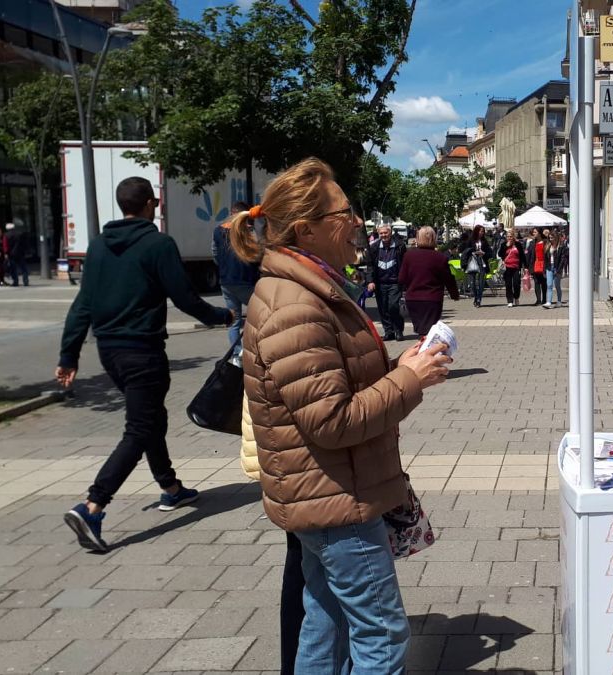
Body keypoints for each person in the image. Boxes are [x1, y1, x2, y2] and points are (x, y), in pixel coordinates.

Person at [230, 158, 452, 674]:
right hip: (336, 501)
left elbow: (334, 386)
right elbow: (331, 421)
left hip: (327, 493)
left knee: (326, 620)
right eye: (345, 211)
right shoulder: (296, 304)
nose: (357, 221)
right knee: (381, 632)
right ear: (307, 229)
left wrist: (404, 368)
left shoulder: (313, 288)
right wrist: (409, 380)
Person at [56, 177, 233, 553]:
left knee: (151, 419)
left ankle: (171, 488)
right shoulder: (158, 244)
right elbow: (185, 297)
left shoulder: (99, 247)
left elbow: (82, 305)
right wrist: (222, 316)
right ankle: (92, 506)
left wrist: (68, 355)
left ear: (121, 205)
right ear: (152, 204)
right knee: (140, 428)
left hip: (110, 352)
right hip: (143, 352)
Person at [212, 200, 261, 348]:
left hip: (226, 281)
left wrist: (224, 267)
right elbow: (258, 253)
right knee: (258, 316)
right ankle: (254, 350)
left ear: (231, 213)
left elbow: (214, 253)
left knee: (234, 321)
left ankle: (236, 354)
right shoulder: (249, 231)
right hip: (246, 280)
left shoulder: (218, 230)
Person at [399, 226, 459, 337]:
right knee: (430, 331)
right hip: (432, 299)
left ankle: (423, 350)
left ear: (418, 238)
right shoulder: (440, 258)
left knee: (421, 331)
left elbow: (402, 278)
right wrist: (454, 294)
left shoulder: (409, 256)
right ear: (433, 238)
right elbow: (448, 279)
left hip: (413, 299)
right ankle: (426, 351)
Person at [364, 224, 407, 340]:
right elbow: (370, 266)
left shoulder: (400, 246)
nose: (383, 235)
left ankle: (398, 330)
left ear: (390, 232)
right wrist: (370, 281)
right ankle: (389, 332)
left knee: (393, 306)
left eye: (385, 233)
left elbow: (404, 264)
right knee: (383, 308)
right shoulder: (374, 247)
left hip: (395, 282)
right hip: (380, 283)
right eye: (381, 233)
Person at [460, 225, 493, 307]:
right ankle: (475, 296)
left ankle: (479, 299)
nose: (482, 233)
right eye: (481, 231)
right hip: (472, 261)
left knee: (481, 282)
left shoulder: (484, 241)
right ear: (476, 231)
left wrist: (484, 253)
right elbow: (464, 250)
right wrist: (474, 251)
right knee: (473, 283)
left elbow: (490, 253)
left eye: (483, 231)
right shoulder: (470, 240)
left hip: (482, 262)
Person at [497, 230, 526, 307]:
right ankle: (510, 300)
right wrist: (506, 246)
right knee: (508, 284)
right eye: (508, 237)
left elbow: (522, 256)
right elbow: (499, 254)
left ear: (513, 237)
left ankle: (516, 297)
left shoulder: (518, 244)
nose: (509, 238)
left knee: (516, 284)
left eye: (511, 236)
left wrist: (525, 267)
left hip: (516, 267)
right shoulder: (503, 244)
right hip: (507, 267)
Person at [543, 230, 567, 309]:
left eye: (552, 238)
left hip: (557, 267)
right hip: (549, 267)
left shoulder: (561, 247)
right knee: (549, 285)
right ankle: (549, 302)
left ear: (556, 238)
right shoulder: (547, 246)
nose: (551, 239)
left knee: (557, 285)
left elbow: (563, 259)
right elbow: (545, 259)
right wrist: (544, 270)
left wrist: (559, 269)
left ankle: (559, 301)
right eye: (549, 238)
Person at [4, 223, 30, 287]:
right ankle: (25, 281)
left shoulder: (6, 235)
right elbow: (24, 243)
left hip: (11, 254)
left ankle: (15, 282)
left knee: (13, 269)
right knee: (24, 268)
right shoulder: (20, 234)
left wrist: (6, 253)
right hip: (20, 253)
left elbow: (5, 245)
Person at [530, 228, 548, 306]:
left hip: (543, 264)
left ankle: (544, 299)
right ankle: (538, 300)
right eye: (533, 232)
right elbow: (530, 255)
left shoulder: (545, 242)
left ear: (539, 233)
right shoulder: (532, 242)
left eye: (535, 232)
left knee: (543, 282)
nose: (533, 234)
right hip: (535, 264)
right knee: (536, 282)